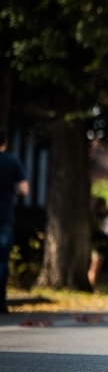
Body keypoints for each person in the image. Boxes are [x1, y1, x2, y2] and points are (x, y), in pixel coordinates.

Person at [0, 128, 29, 314]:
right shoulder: (12, 161)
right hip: (4, 215)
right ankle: (0, 301)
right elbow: (24, 189)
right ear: (5, 143)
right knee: (2, 259)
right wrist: (11, 190)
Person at [87, 196, 108, 291]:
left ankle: (93, 284)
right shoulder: (96, 218)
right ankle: (91, 284)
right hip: (97, 245)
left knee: (97, 267)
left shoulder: (101, 217)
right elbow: (100, 230)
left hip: (101, 246)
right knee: (94, 266)